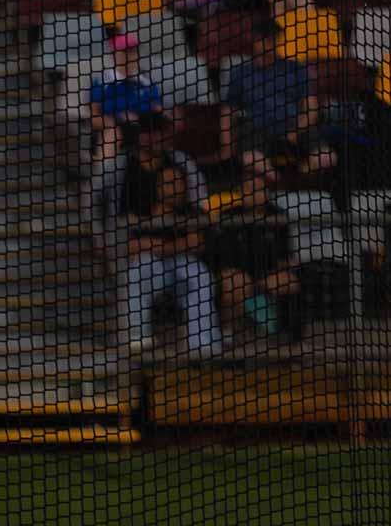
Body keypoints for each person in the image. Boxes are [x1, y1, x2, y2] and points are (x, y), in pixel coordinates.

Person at [94, 116, 223, 358]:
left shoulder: (180, 163)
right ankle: (136, 342)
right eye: (148, 132)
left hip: (178, 258)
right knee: (140, 269)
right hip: (140, 260)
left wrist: (164, 246)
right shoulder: (122, 168)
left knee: (200, 277)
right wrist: (103, 243)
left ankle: (204, 347)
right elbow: (124, 237)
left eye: (159, 131)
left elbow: (198, 232)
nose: (154, 137)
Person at [221, 21, 337, 183]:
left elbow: (312, 108)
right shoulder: (240, 73)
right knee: (251, 161)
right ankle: (279, 182)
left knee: (327, 158)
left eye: (272, 39)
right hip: (256, 131)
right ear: (254, 41)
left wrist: (296, 131)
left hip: (294, 128)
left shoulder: (295, 69)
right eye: (263, 39)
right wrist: (227, 147)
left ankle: (297, 179)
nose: (268, 44)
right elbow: (227, 113)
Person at [203, 164, 299, 340]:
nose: (255, 195)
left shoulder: (277, 216)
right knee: (234, 283)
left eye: (260, 190)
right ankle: (227, 337)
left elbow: (285, 258)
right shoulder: (229, 216)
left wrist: (272, 273)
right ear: (241, 191)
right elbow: (222, 260)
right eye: (250, 189)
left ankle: (287, 337)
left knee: (290, 282)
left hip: (267, 276)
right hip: (238, 276)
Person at [89, 33, 163, 138]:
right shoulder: (102, 82)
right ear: (114, 54)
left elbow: (158, 107)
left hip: (146, 128)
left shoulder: (146, 80)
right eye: (126, 52)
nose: (132, 55)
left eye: (134, 51)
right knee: (114, 133)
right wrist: (115, 122)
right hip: (117, 129)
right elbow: (94, 117)